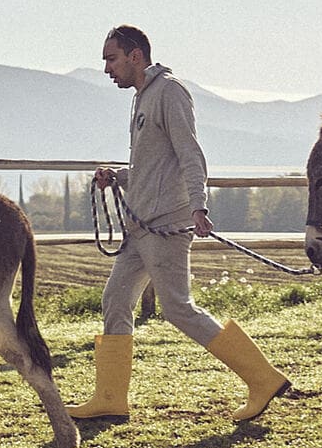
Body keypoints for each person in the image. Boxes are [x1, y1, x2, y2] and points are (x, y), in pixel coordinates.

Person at [66, 25, 293, 425]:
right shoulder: (142, 98)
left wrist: (199, 207)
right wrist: (118, 176)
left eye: (111, 58)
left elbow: (190, 153)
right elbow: (154, 164)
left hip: (165, 224)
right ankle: (110, 398)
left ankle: (262, 379)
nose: (106, 68)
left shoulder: (170, 92)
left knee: (178, 309)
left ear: (136, 56)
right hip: (140, 228)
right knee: (116, 301)